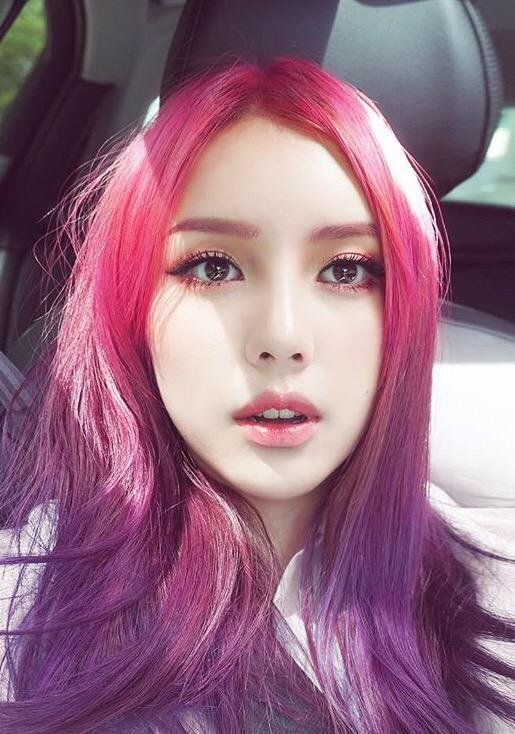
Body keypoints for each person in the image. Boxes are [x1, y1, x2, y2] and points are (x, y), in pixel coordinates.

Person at [0, 55, 514, 734]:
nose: (282, 337)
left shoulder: (497, 596)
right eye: (212, 266)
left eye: (347, 270)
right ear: (131, 310)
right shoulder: (21, 604)